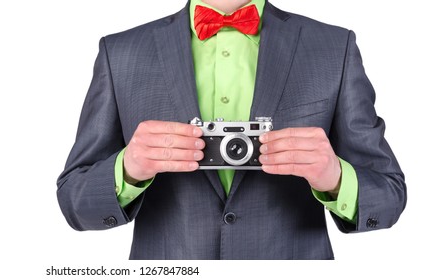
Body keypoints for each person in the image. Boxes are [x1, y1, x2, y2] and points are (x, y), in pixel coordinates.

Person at [56, 0, 407, 259]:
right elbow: (74, 201)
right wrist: (128, 169)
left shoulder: (333, 47)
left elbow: (390, 196)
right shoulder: (121, 53)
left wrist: (335, 177)